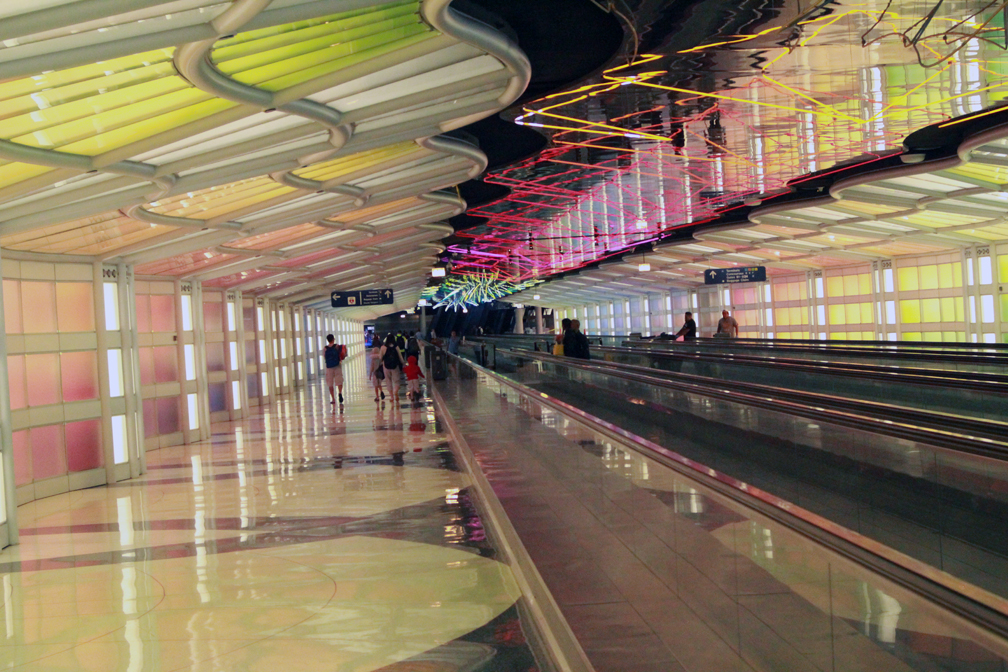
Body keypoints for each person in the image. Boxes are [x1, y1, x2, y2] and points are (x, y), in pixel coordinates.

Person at [323, 334, 345, 406]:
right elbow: (342, 355)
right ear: (333, 339)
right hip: (337, 366)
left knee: (330, 383)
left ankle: (333, 399)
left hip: (329, 368)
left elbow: (324, 357)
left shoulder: (325, 348)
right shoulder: (337, 346)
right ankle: (340, 393)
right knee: (339, 380)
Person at [380, 333, 404, 399]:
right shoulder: (396, 347)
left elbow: (380, 358)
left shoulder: (383, 347)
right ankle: (395, 392)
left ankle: (391, 396)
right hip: (395, 366)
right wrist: (403, 364)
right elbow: (400, 358)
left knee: (388, 381)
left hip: (386, 366)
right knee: (396, 381)